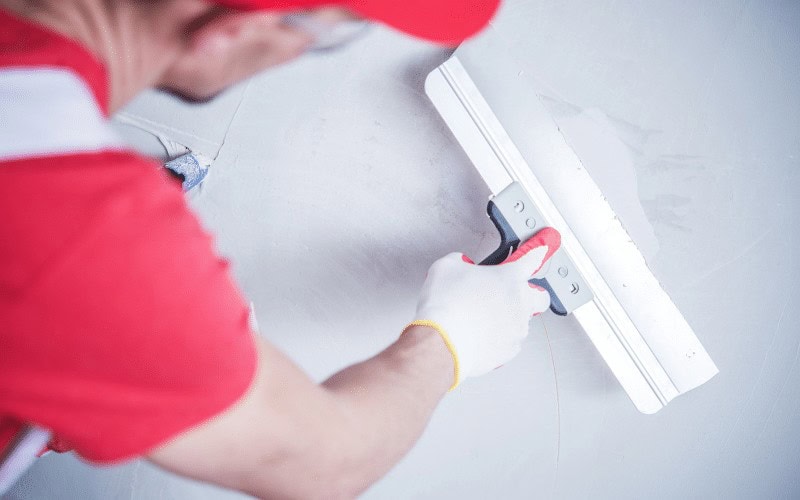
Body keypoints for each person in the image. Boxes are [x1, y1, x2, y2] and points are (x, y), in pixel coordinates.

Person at [0, 0, 561, 497]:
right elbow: (324, 464)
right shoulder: (79, 231)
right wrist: (453, 341)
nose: (300, 53)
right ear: (226, 28)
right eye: (329, 31)